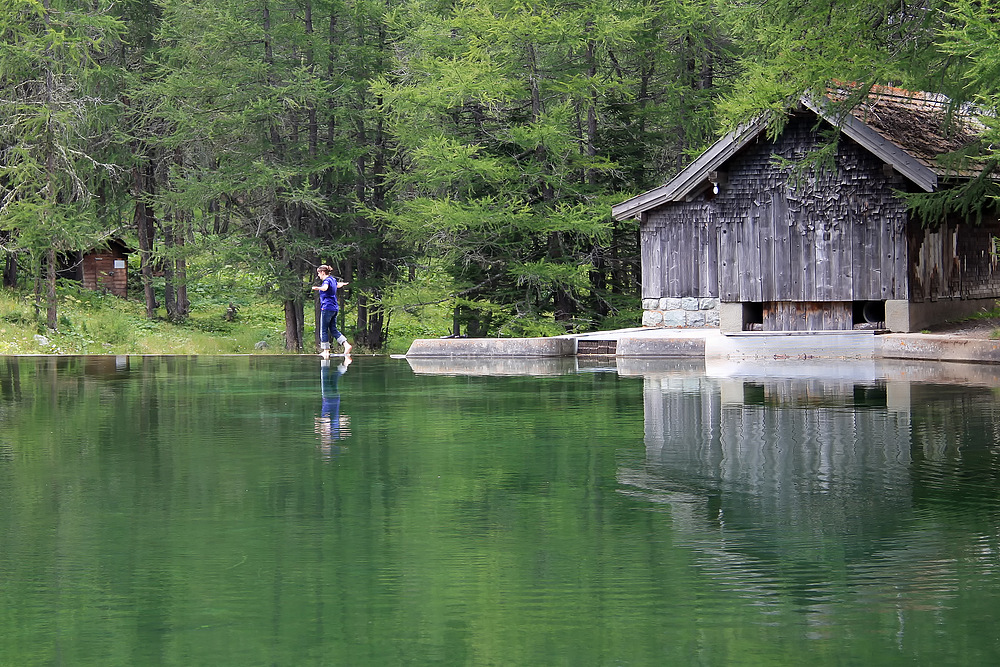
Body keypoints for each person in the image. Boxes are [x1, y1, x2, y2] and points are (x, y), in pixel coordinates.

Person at [311, 265, 352, 359]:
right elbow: (337, 285)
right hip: (334, 308)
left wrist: (317, 288)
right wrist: (342, 284)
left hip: (327, 307)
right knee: (333, 329)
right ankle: (346, 345)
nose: (318, 275)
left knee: (323, 329)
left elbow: (325, 288)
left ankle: (325, 351)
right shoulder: (332, 280)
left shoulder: (326, 281)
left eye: (318, 273)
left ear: (322, 272)